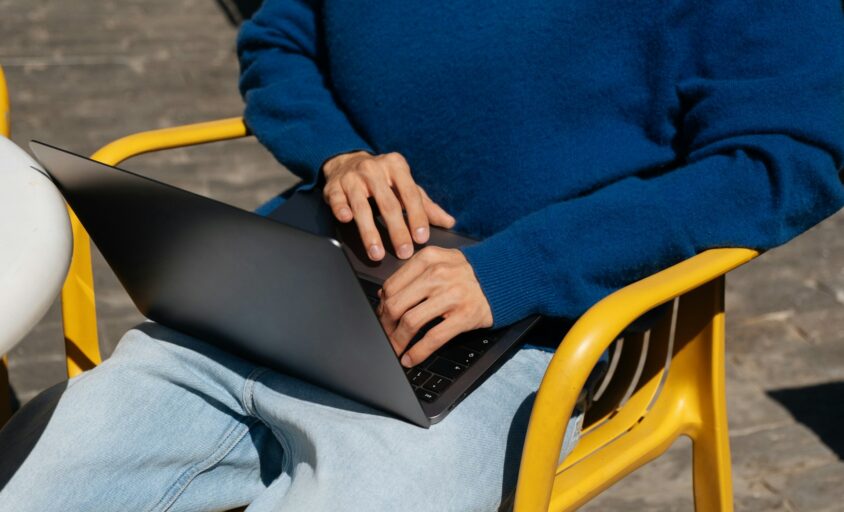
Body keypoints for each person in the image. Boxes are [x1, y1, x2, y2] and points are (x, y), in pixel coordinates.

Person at [1, 1, 842, 510]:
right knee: (32, 481)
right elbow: (278, 43)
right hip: (283, 283)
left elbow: (791, 156)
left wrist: (516, 269)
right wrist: (337, 154)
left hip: (526, 324)